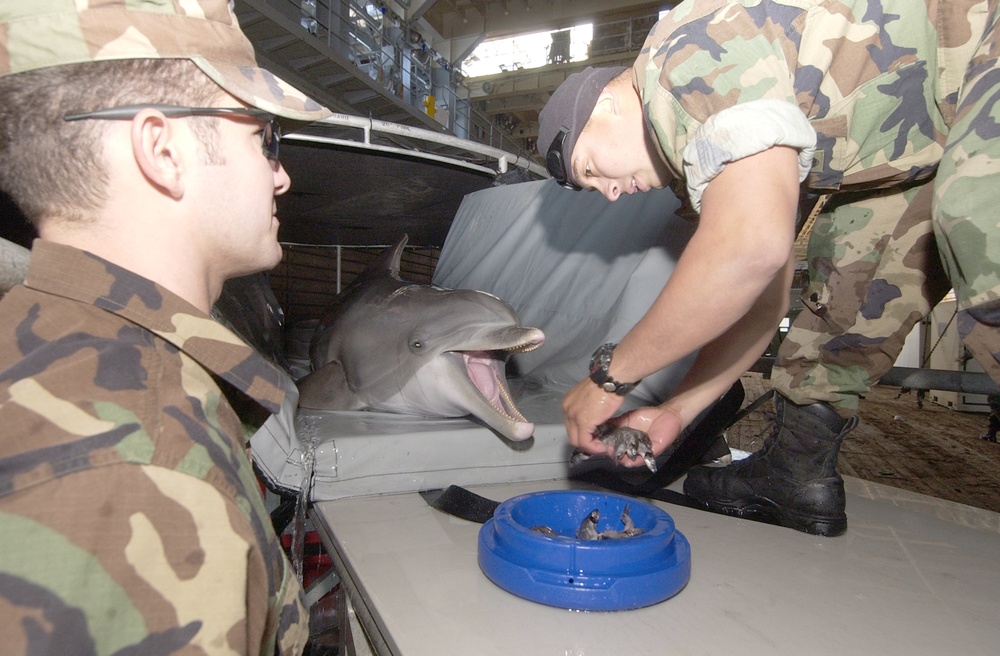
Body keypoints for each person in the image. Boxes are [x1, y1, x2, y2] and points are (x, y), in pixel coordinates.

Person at [539, 0, 1000, 536]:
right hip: (924, 126)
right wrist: (678, 412)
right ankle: (795, 471)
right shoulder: (708, 149)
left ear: (608, 105)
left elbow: (745, 250)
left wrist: (609, 377)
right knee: (859, 276)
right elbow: (762, 301)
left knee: (979, 225)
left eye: (593, 169)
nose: (612, 193)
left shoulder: (678, 63)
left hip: (981, 46)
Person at [0, 0, 330, 653]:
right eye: (262, 138)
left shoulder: (46, 347)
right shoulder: (142, 463)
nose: (282, 175)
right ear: (161, 149)